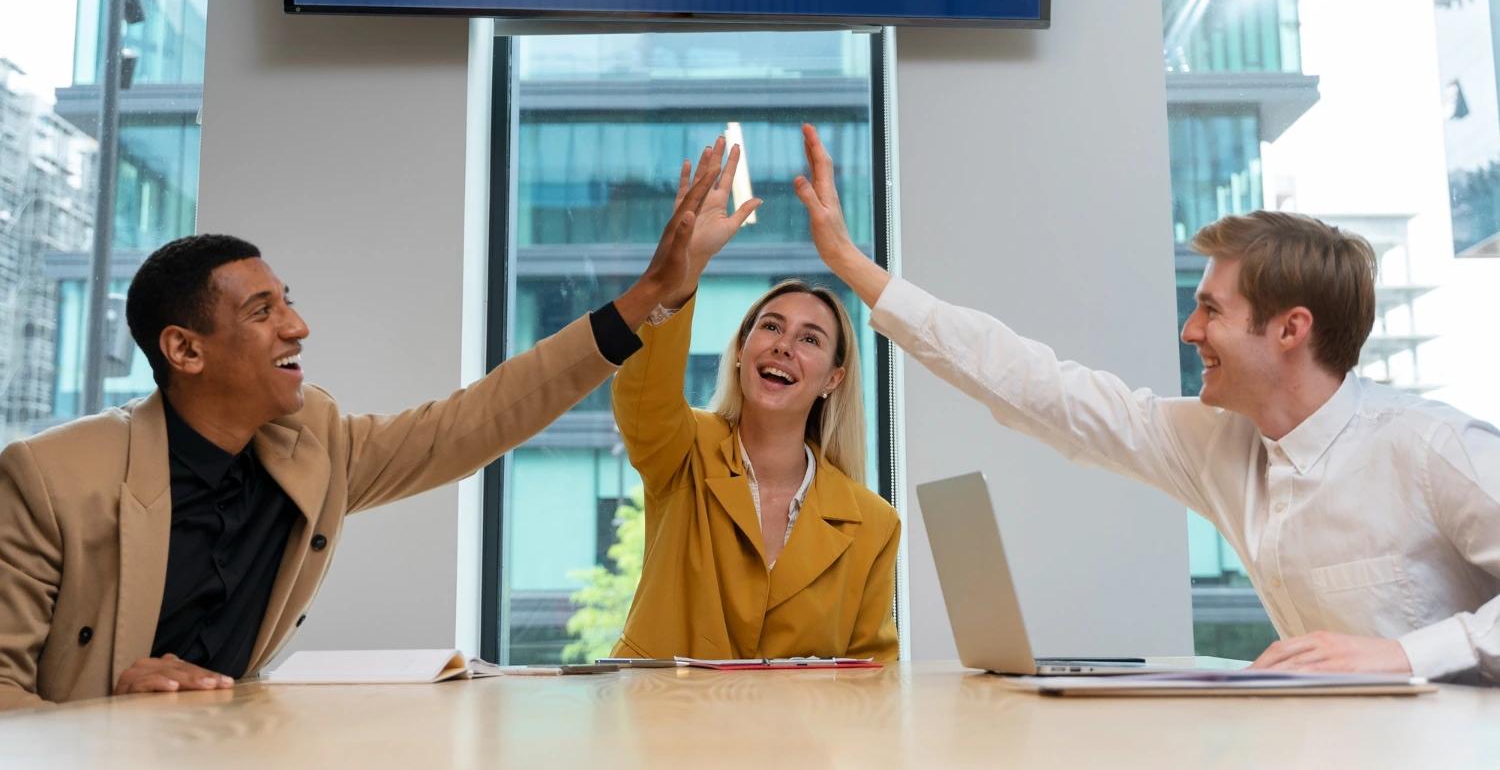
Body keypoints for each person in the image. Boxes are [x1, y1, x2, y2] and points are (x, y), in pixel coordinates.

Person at [0, 141, 731, 710]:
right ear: (184, 351)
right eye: (262, 312)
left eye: (288, 300)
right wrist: (109, 713)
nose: (297, 326)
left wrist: (651, 295)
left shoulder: (313, 443)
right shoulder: (51, 478)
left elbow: (476, 422)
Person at [793, 123, 1500, 683]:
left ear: (1291, 330)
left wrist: (1404, 655)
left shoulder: (1431, 448)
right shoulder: (1217, 441)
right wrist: (854, 266)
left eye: (1211, 310)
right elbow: (1040, 388)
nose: (1190, 331)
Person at [609, 141, 899, 662]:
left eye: (809, 339)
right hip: (659, 711)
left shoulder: (873, 524)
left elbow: (873, 676)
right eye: (770, 327)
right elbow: (641, 395)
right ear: (742, 351)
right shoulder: (683, 450)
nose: (784, 345)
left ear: (833, 379)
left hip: (796, 720)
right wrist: (686, 267)